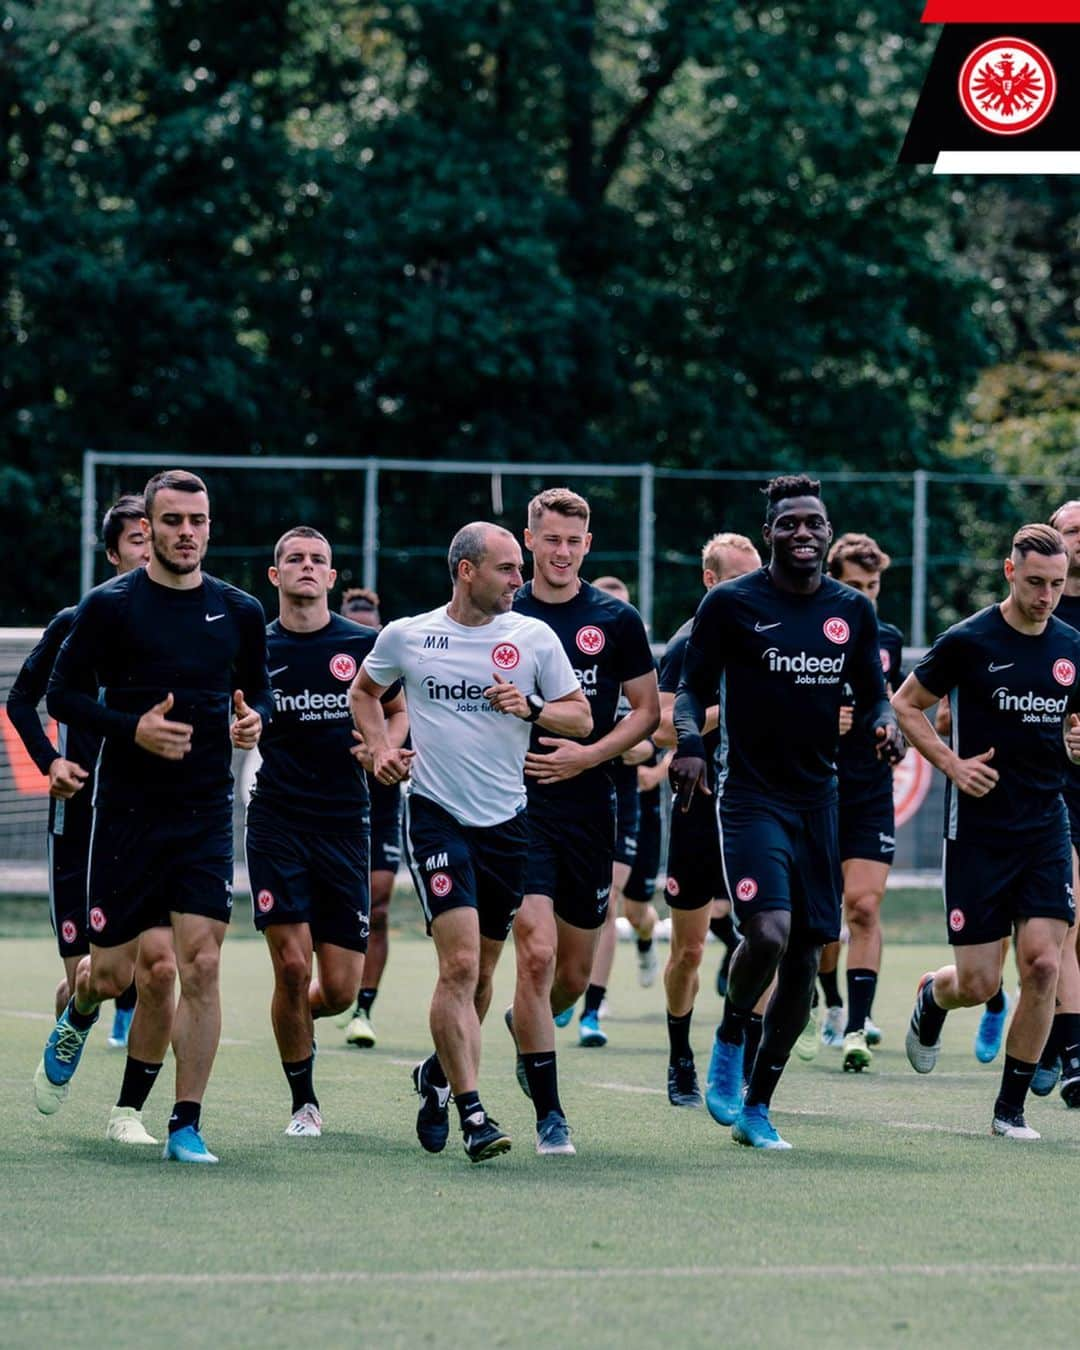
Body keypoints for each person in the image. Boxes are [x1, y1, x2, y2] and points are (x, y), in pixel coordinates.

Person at [35, 470, 272, 1164]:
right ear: (153, 527)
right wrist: (130, 728)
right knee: (112, 978)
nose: (186, 533)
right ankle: (79, 1014)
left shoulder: (239, 611)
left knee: (196, 962)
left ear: (209, 526)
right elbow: (62, 696)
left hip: (203, 813)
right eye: (172, 522)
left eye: (197, 521)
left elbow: (258, 690)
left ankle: (184, 1123)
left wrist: (256, 719)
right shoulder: (109, 608)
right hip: (126, 816)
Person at [671, 475, 902, 1149]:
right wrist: (688, 744)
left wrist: (884, 724)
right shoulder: (731, 605)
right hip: (748, 795)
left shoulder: (850, 612)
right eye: (789, 523)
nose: (803, 532)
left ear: (827, 534)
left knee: (808, 950)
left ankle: (759, 1106)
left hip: (819, 798)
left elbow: (877, 694)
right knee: (768, 932)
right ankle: (729, 1033)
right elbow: (690, 689)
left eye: (814, 523)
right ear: (769, 531)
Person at [350, 521, 590, 1163]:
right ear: (466, 570)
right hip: (434, 815)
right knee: (457, 966)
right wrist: (380, 749)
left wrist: (531, 707)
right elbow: (365, 693)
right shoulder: (409, 635)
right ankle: (474, 1114)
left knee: (483, 974)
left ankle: (434, 1077)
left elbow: (581, 716)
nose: (521, 579)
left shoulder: (532, 637)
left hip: (508, 824)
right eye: (509, 568)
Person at [895, 524, 1080, 1140]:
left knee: (1044, 966)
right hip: (975, 830)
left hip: (1046, 825)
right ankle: (932, 996)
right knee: (978, 983)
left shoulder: (1071, 647)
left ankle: (1010, 1109)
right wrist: (950, 763)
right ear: (1009, 572)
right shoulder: (969, 640)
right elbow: (905, 704)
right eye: (1034, 583)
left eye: (1056, 584)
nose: (1046, 596)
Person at [246, 530, 408, 1137]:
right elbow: (233, 708)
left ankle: (294, 1021)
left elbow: (394, 706)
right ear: (275, 574)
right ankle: (303, 1102)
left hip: (346, 823)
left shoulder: (362, 644)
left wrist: (383, 746)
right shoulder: (253, 646)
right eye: (295, 559)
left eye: (317, 560)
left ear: (332, 577)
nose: (306, 568)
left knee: (337, 991)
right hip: (277, 822)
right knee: (291, 966)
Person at [508, 506, 658, 1150]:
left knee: (569, 975)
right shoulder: (499, 610)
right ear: (529, 541)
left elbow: (648, 713)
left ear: (588, 544)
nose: (561, 552)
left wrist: (590, 754)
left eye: (574, 541)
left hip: (591, 809)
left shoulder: (615, 620)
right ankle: (551, 1115)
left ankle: (525, 1024)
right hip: (514, 806)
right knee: (535, 953)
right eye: (551, 540)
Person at [7, 496, 152, 1049]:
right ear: (114, 553)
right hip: (79, 815)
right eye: (135, 541)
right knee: (83, 983)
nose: (147, 551)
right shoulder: (77, 622)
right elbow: (22, 701)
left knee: (148, 963)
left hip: (146, 812)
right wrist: (52, 764)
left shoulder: (187, 628)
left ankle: (142, 1095)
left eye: (151, 538)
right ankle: (74, 1024)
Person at [653, 532, 762, 1106]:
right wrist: (731, 710)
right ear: (710, 582)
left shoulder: (774, 634)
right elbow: (662, 726)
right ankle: (679, 1057)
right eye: (737, 579)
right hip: (699, 807)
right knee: (690, 949)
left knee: (766, 936)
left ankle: (746, 1060)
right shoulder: (689, 643)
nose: (751, 590)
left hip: (760, 806)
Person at [815, 532, 905, 1072]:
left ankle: (855, 1027)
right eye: (854, 585)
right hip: (815, 790)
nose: (864, 596)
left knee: (865, 908)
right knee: (824, 922)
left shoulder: (887, 638)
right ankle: (830, 1003)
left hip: (871, 790)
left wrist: (887, 724)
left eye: (872, 586)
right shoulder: (811, 630)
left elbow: (891, 703)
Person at [573, 573, 659, 1043]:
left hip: (624, 800)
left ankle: (592, 1009)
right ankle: (565, 986)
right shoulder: (571, 655)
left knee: (616, 903)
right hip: (563, 795)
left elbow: (656, 741)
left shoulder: (640, 665)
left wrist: (626, 748)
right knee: (603, 907)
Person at [335, 588, 404, 1049]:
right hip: (329, 804)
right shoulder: (326, 656)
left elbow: (406, 716)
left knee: (378, 901)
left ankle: (363, 1006)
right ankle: (328, 989)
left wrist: (382, 751)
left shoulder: (395, 665)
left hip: (381, 800)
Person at [1030, 500, 1080, 1105]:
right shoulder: (1028, 614)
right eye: (1071, 531)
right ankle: (1071, 1056)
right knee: (1063, 929)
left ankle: (1046, 1040)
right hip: (1043, 793)